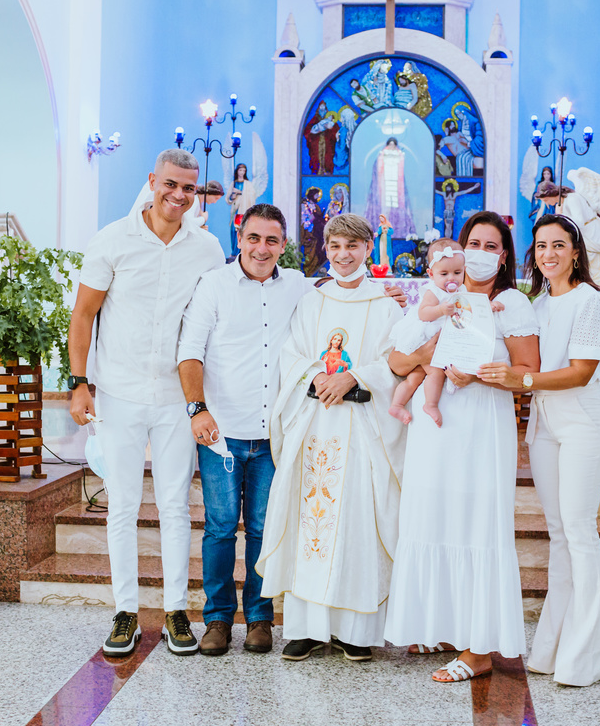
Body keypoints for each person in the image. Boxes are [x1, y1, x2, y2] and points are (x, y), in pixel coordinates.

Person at [67, 148, 225, 659]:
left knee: (176, 505)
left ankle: (177, 610)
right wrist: (79, 382)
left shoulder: (207, 248)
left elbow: (215, 322)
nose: (179, 195)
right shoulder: (112, 240)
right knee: (124, 504)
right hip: (120, 392)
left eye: (189, 188)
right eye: (171, 184)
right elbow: (83, 315)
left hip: (177, 397)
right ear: (153, 180)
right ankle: (125, 612)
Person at [384, 211, 540, 683]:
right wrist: (432, 353)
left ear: (504, 255)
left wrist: (479, 373)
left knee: (476, 527)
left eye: (491, 246)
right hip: (436, 427)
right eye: (474, 241)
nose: (480, 252)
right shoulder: (438, 296)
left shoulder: (510, 302)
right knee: (434, 518)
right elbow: (397, 359)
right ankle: (443, 627)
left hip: (480, 423)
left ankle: (478, 651)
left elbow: (527, 372)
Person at [256, 213, 406, 663]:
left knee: (355, 522)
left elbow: (396, 362)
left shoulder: (386, 304)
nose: (343, 256)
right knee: (312, 523)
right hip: (316, 424)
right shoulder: (311, 301)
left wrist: (354, 377)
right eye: (335, 246)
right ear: (326, 247)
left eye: (352, 247)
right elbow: (292, 355)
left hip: (362, 426)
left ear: (367, 249)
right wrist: (320, 375)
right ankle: (306, 629)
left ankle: (356, 631)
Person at [176, 204, 316, 657]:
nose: (262, 248)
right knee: (219, 527)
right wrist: (197, 410)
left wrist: (381, 295)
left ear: (283, 244)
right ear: (241, 237)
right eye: (254, 238)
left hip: (273, 432)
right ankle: (217, 619)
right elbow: (190, 351)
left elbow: (338, 301)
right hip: (222, 432)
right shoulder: (214, 285)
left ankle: (259, 618)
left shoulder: (296, 284)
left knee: (261, 527)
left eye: (272, 240)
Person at [480, 213, 600, 687]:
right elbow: (510, 348)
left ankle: (582, 658)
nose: (549, 254)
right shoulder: (533, 306)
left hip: (582, 424)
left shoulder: (590, 303)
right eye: (540, 247)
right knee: (558, 533)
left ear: (576, 252)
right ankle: (551, 649)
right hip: (543, 427)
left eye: (559, 245)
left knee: (579, 533)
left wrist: (525, 380)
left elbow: (579, 371)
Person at [387, 239, 505, 428]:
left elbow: (470, 307)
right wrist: (440, 310)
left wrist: (489, 306)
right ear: (431, 274)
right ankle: (431, 405)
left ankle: (397, 405)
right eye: (444, 273)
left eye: (457, 273)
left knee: (415, 377)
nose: (452, 278)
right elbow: (423, 313)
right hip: (425, 336)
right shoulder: (433, 291)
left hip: (440, 337)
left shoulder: (461, 290)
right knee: (435, 373)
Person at [364, 138, 416, 235]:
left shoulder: (400, 156)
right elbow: (376, 173)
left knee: (396, 209)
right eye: (390, 144)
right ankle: (382, 228)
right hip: (384, 186)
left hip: (396, 187)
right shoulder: (381, 156)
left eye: (393, 145)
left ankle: (395, 230)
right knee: (385, 207)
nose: (391, 147)